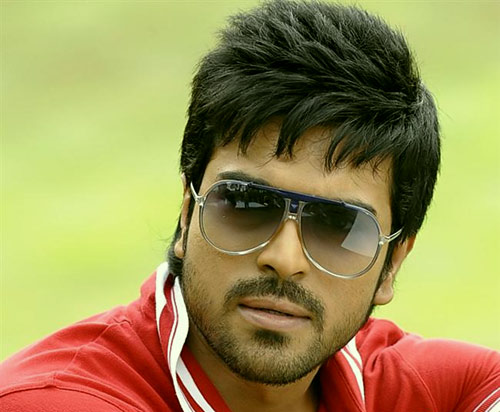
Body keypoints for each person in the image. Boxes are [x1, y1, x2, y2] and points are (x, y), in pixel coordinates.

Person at [1, 0, 499, 411]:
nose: (283, 258)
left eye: (339, 226)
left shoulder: (438, 390)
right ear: (187, 215)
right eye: (246, 204)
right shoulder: (53, 401)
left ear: (391, 264)